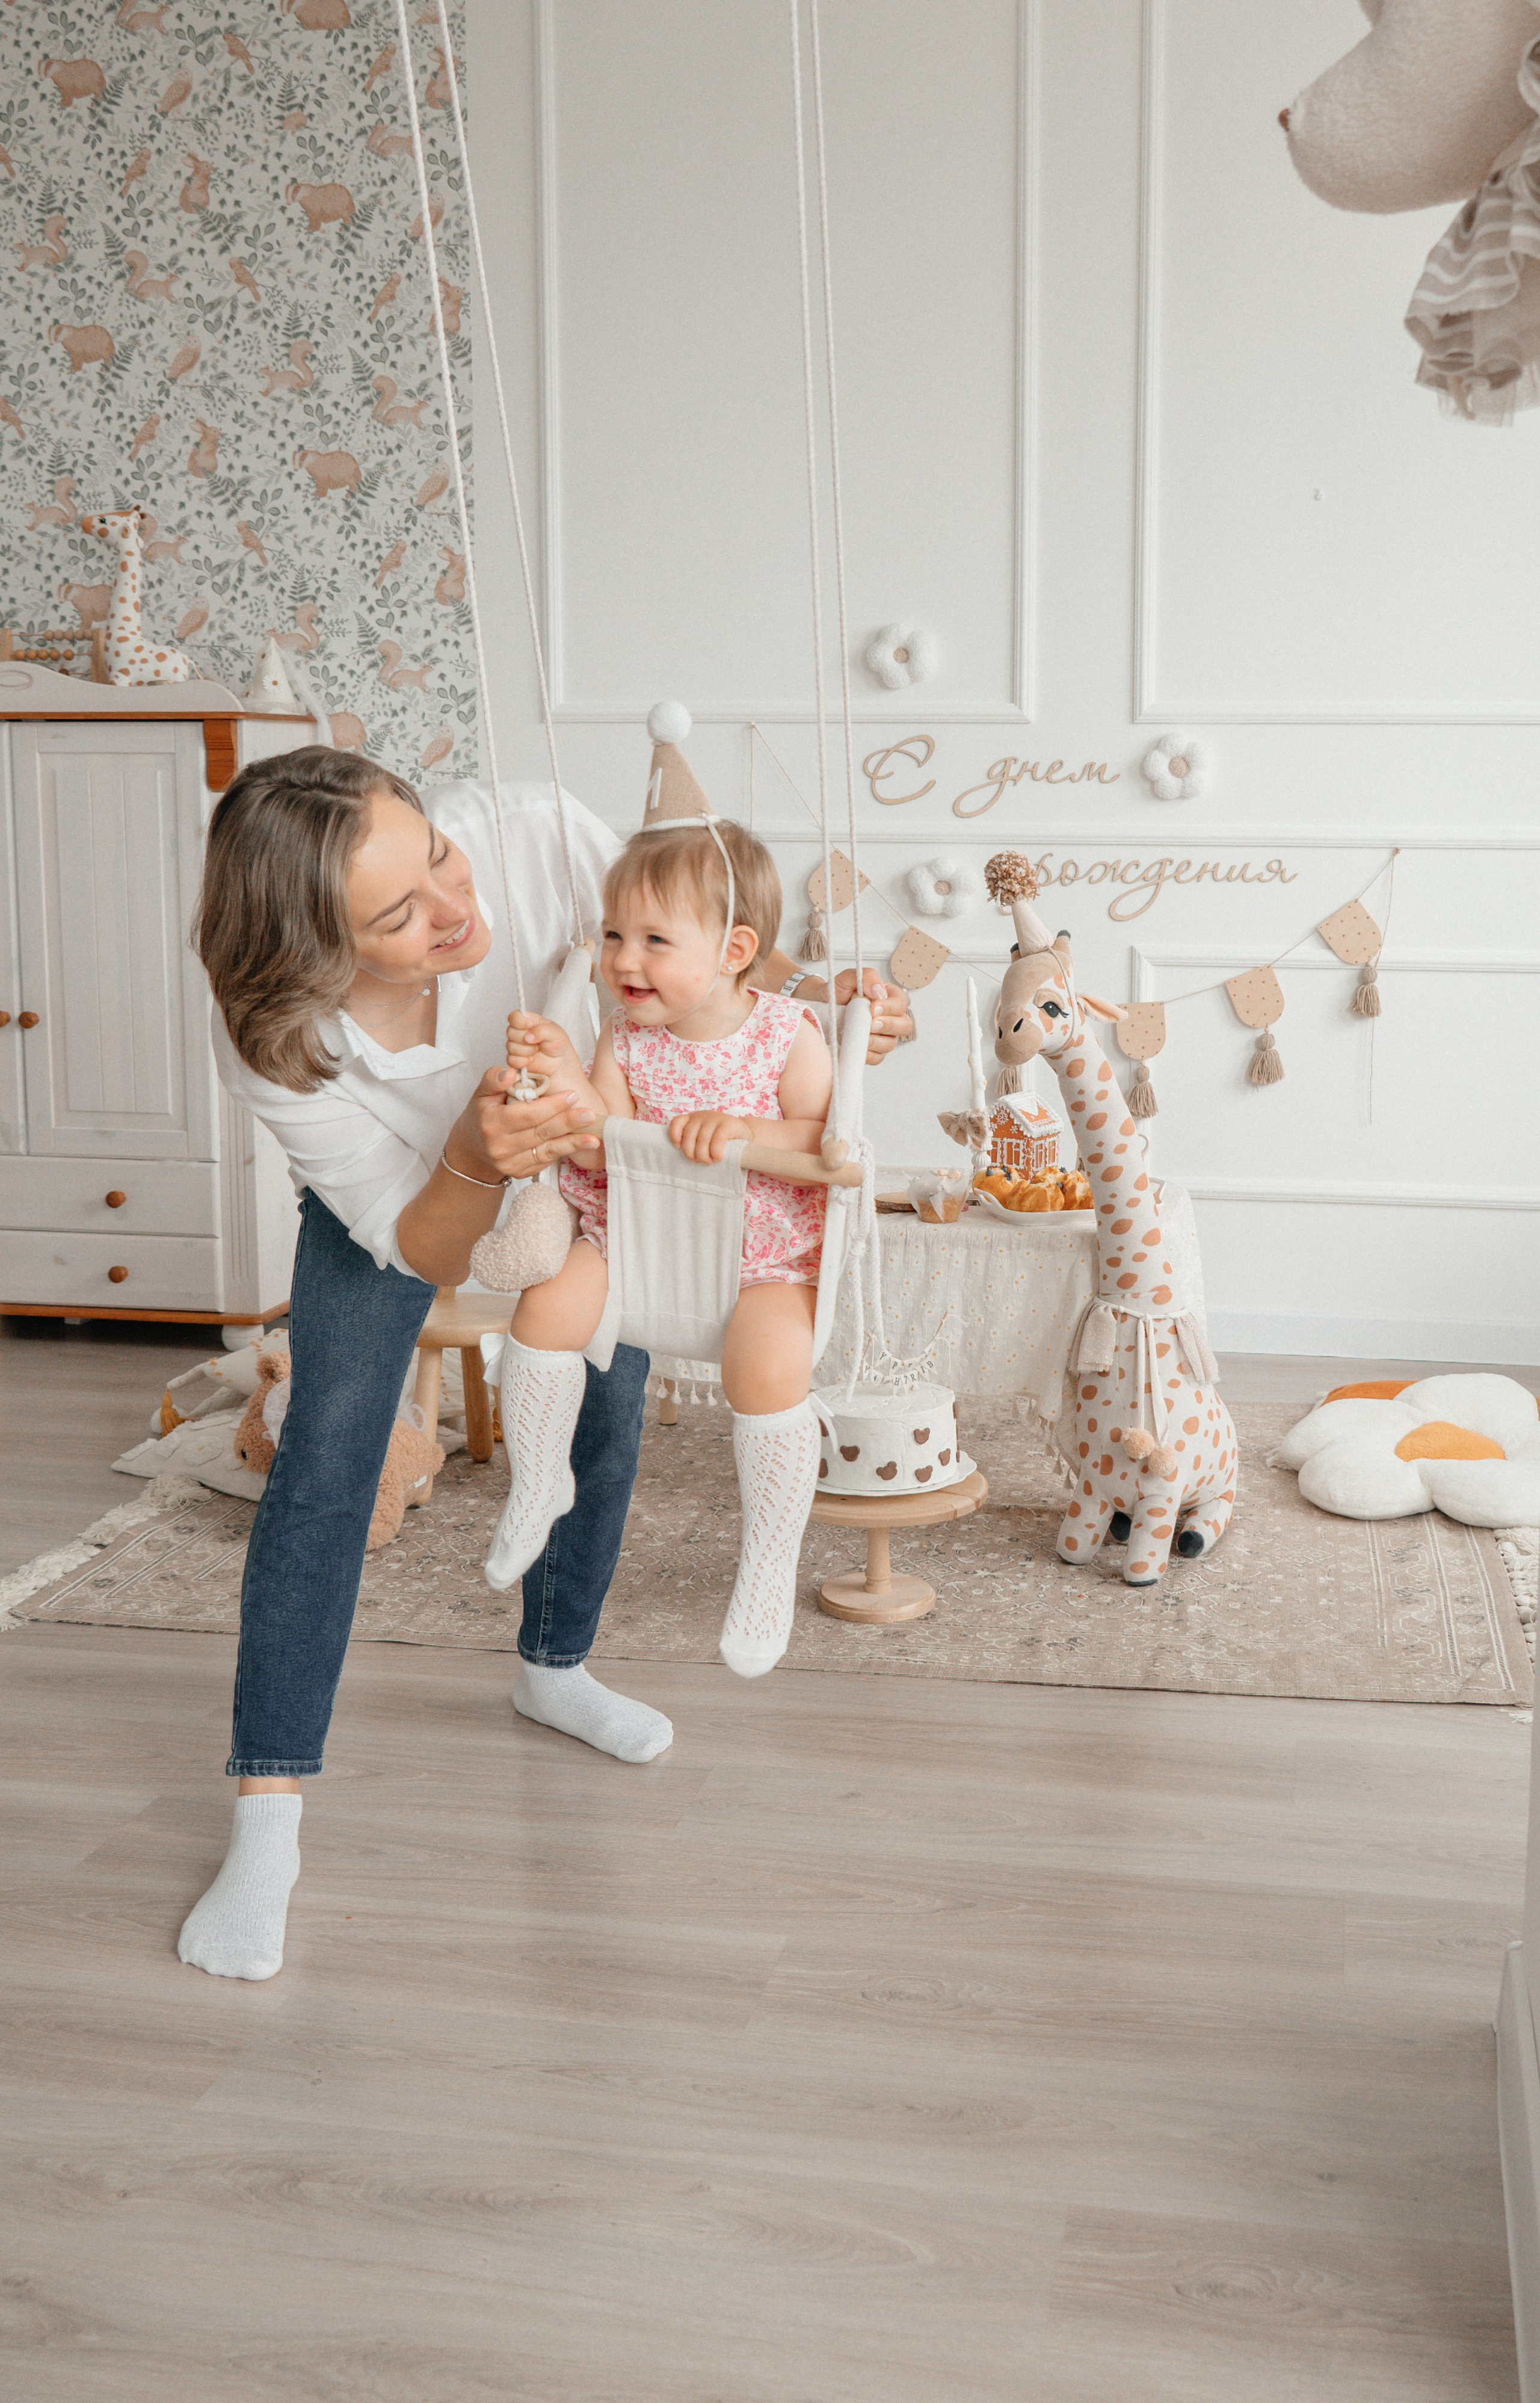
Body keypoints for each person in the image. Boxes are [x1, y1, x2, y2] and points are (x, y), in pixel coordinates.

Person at [174, 745, 911, 1981]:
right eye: (401, 913)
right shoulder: (280, 1038)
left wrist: (838, 1008)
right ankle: (268, 1811)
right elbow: (420, 1240)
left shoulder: (530, 830)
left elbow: (712, 959)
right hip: (416, 1193)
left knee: (603, 1397)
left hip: (598, 1167)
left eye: (439, 859)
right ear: (315, 950)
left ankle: (553, 1664)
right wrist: (477, 1141)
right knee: (327, 1456)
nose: (457, 905)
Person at [488, 819, 831, 1679]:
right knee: (545, 1309)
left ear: (733, 948)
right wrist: (567, 1083)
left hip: (762, 1259)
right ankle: (539, 1480)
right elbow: (600, 1141)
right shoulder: (626, 1038)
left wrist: (747, 1129)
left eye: (652, 940)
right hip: (636, 1248)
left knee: (769, 1368)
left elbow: (826, 1137)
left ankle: (767, 1562)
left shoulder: (787, 1032)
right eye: (612, 935)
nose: (622, 958)